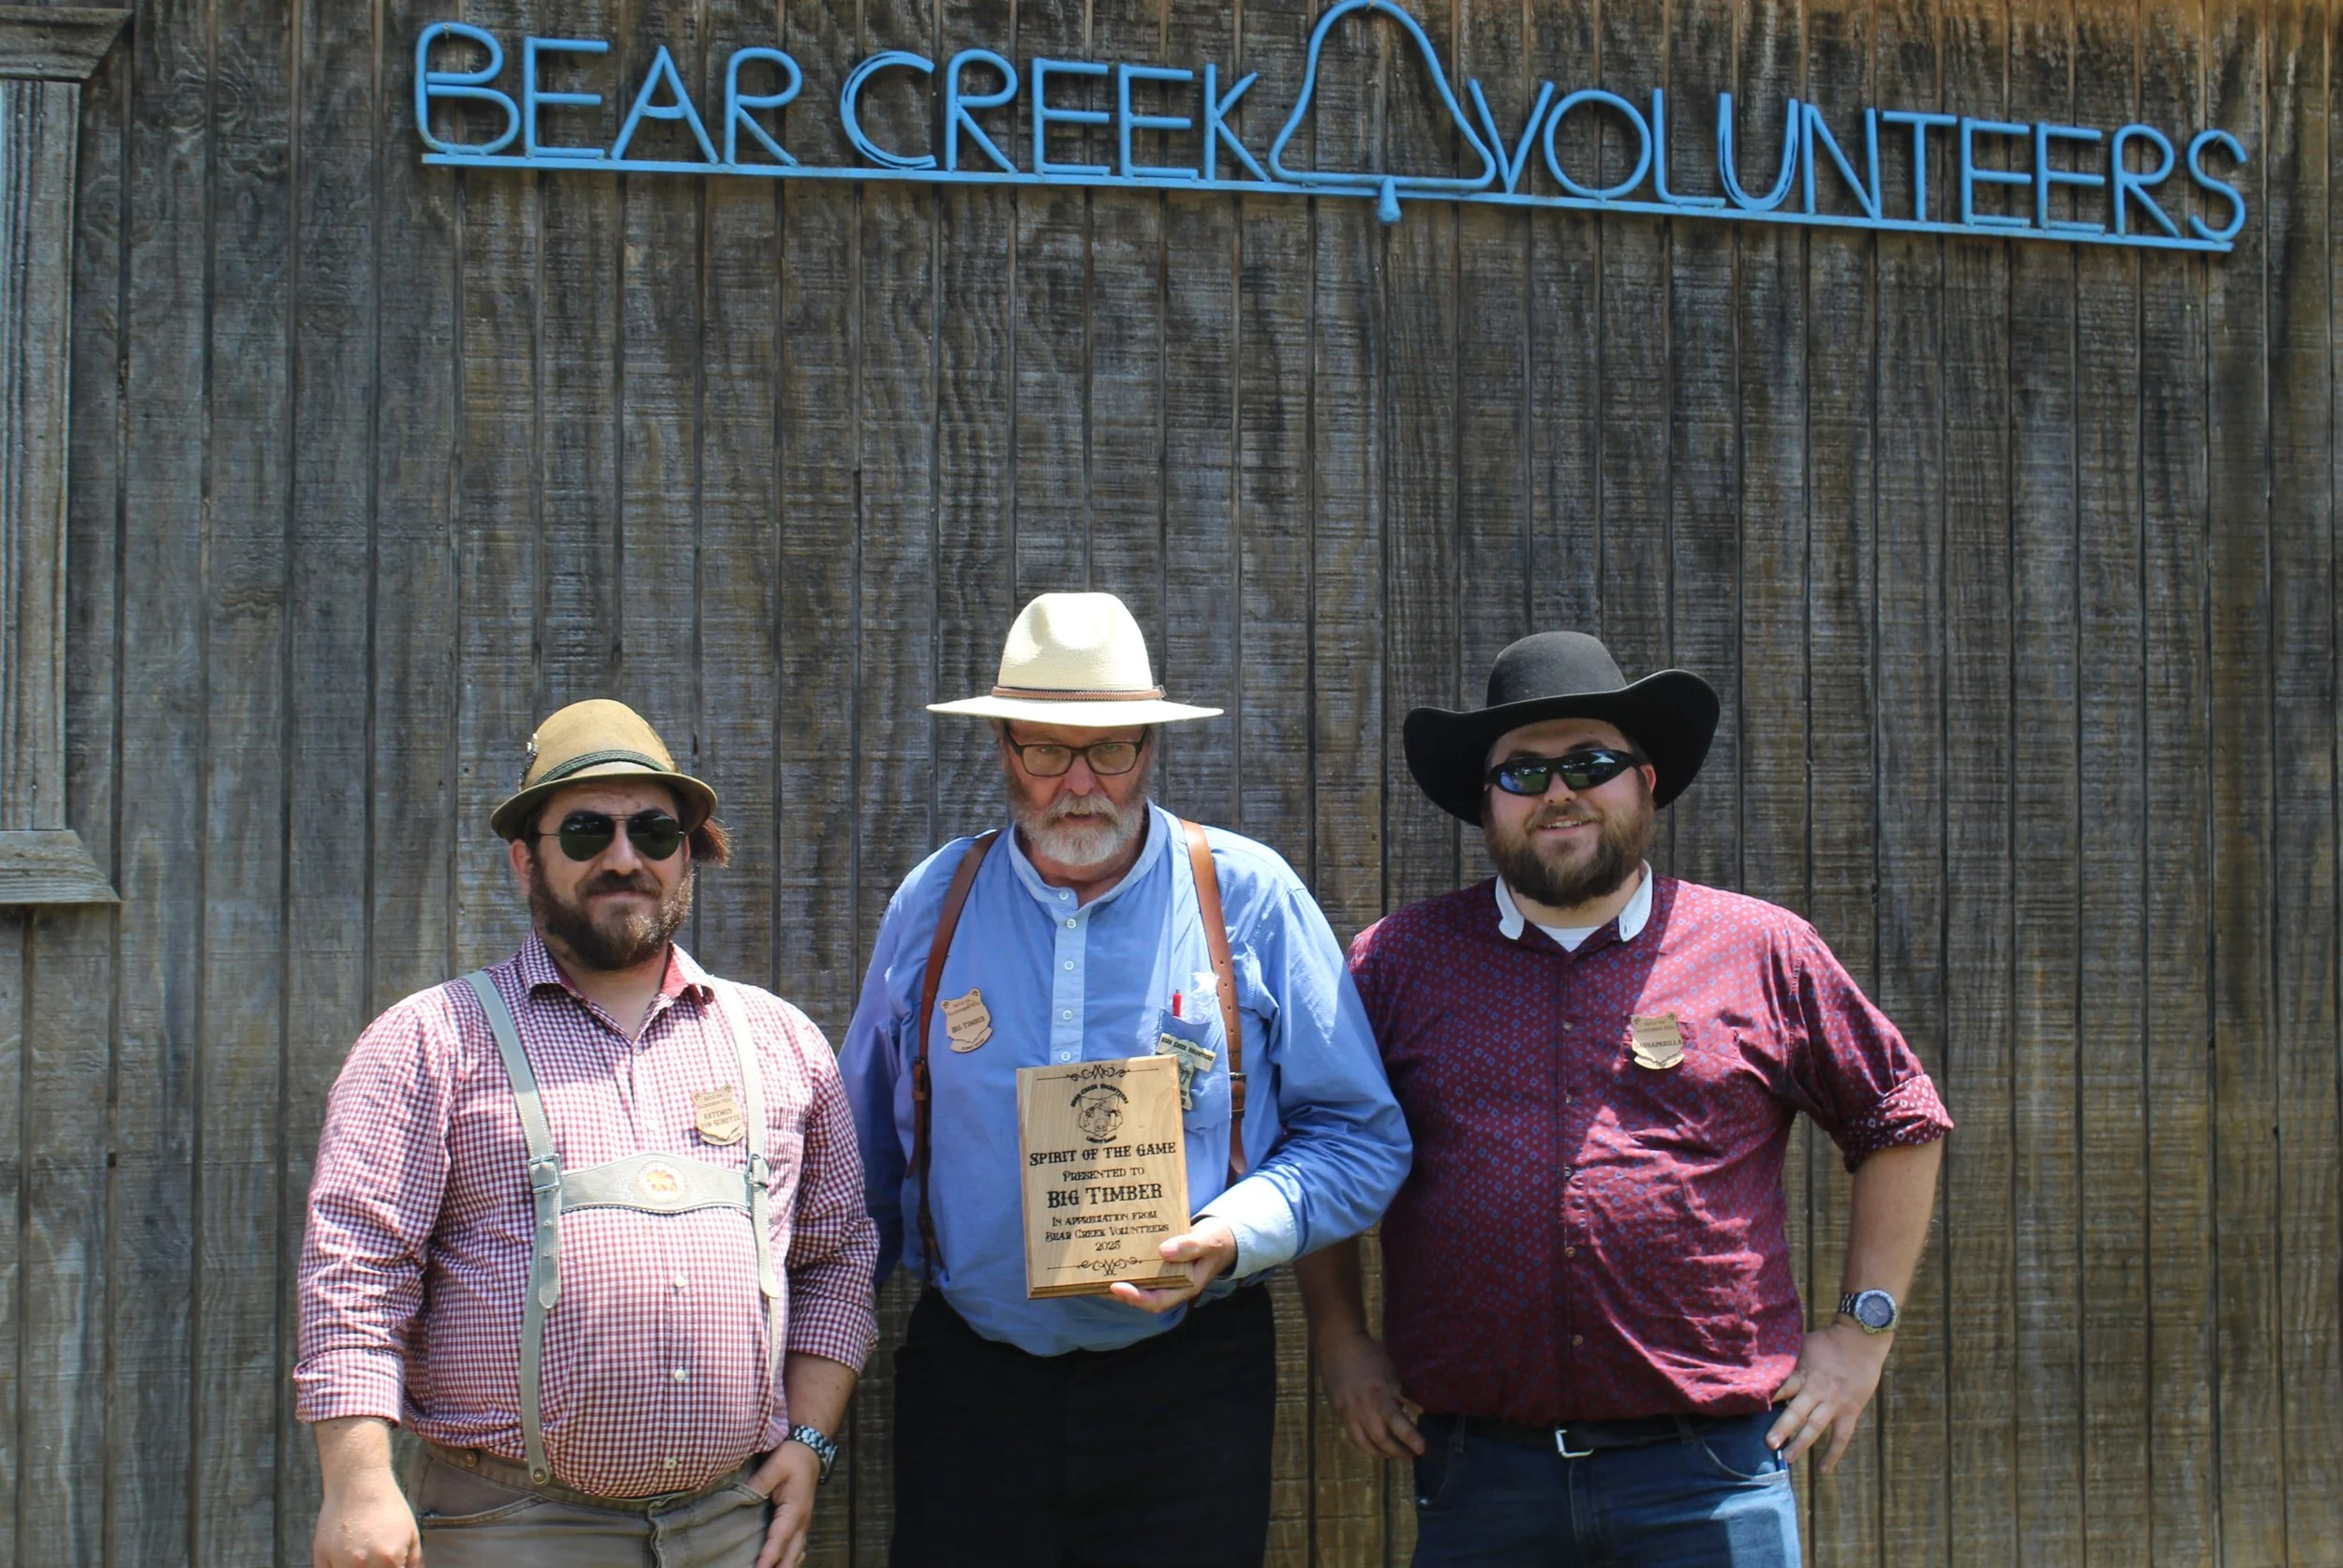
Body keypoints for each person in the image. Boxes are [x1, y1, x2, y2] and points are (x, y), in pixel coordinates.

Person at [1297, 632, 1953, 1568]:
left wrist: (1863, 1332)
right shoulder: (1394, 962)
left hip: (1708, 1475)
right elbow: (1325, 1140)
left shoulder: (1761, 949)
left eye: (1589, 763)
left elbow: (1897, 1114)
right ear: (1485, 801)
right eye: (1521, 772)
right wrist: (1339, 1337)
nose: (1557, 791)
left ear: (1645, 780)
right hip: (1478, 1477)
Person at [839, 591, 1411, 1568]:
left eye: (1109, 749)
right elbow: (858, 1169)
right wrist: (803, 1383)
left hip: (1186, 1383)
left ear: (1149, 746)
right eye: (1045, 750)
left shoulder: (1247, 895)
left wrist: (1236, 1231)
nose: (1079, 782)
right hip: (969, 1382)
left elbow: (1360, 1136)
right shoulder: (935, 901)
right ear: (1003, 748)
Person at [296, 699, 878, 1568]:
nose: (623, 858)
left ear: (687, 852)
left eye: (653, 830)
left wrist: (810, 1440)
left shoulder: (780, 1041)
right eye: (584, 833)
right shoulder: (431, 1040)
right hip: (510, 1530)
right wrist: (358, 1483)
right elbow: (356, 1269)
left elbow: (837, 1257)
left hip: (733, 1529)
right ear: (525, 858)